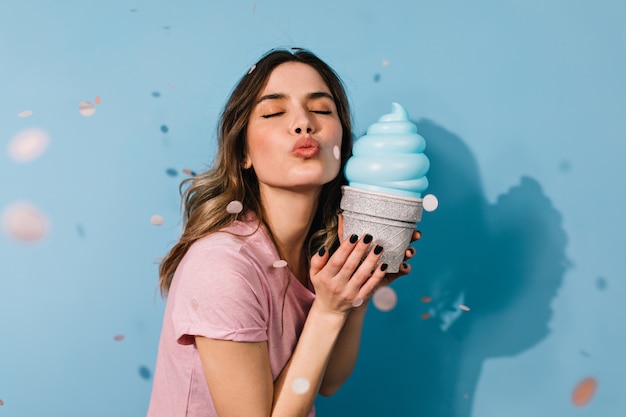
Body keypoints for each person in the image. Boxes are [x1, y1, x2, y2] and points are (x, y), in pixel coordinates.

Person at [147, 47, 420, 417]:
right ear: (243, 152)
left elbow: (328, 382)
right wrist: (327, 309)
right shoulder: (223, 267)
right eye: (274, 112)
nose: (303, 123)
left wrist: (357, 294)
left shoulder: (315, 253)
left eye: (322, 110)